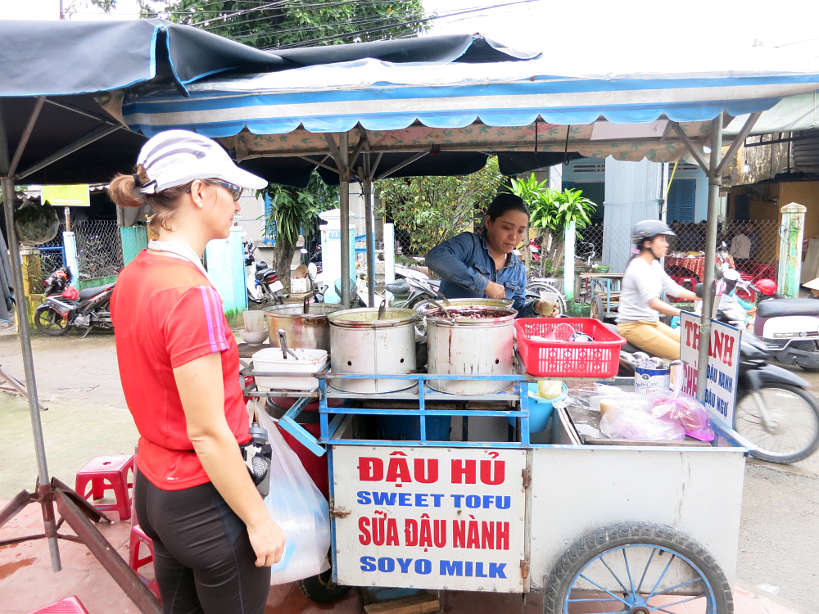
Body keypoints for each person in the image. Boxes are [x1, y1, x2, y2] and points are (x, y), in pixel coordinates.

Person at [109, 130, 285, 614]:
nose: (236, 203)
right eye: (232, 190)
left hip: (155, 488)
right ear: (199, 192)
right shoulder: (192, 292)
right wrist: (258, 519)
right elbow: (207, 433)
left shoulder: (135, 274)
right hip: (204, 498)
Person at [425, 193, 555, 317]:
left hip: (494, 337)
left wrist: (535, 308)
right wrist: (484, 284)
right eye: (507, 227)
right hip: (453, 332)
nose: (514, 237)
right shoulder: (469, 245)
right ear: (488, 222)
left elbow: (515, 311)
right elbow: (435, 257)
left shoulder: (518, 270)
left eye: (521, 231)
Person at [616, 219, 698, 360]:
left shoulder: (653, 264)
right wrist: (685, 313)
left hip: (651, 323)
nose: (666, 244)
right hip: (634, 326)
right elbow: (653, 303)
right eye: (661, 240)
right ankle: (673, 383)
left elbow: (672, 288)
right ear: (648, 243)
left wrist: (700, 297)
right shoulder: (639, 267)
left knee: (692, 347)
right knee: (683, 354)